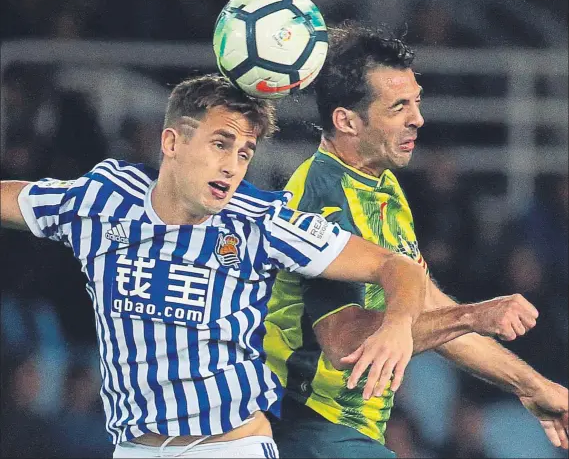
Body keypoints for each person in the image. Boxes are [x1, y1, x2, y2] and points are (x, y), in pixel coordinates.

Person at [0, 73, 435, 458]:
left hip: (233, 446)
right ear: (172, 142)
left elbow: (397, 266)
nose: (231, 167)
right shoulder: (103, 200)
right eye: (220, 144)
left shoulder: (260, 220)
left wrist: (397, 324)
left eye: (245, 153)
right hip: (135, 448)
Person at [263, 22, 569, 458]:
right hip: (307, 427)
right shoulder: (324, 198)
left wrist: (534, 386)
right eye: (398, 107)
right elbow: (345, 343)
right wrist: (475, 316)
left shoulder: (380, 184)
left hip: (349, 430)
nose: (418, 119)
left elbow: (425, 311)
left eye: (417, 102)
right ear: (346, 120)